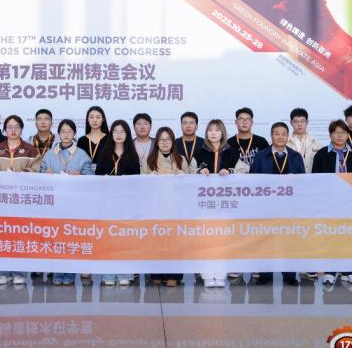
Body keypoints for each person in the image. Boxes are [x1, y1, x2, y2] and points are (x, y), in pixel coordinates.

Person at [0, 115, 42, 286]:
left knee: (20, 236)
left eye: (16, 127)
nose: (13, 130)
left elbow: (38, 170)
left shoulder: (31, 150)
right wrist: (1, 177)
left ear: (22, 129)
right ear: (5, 129)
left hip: (22, 201)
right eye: (10, 127)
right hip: (1, 201)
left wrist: (24, 175)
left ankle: (19, 272)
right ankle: (2, 273)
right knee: (1, 236)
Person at [249, 122, 305, 286]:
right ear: (271, 136)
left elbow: (303, 182)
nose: (280, 137)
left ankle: (290, 275)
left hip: (289, 207)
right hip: (266, 206)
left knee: (289, 240)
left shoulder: (295, 156)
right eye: (276, 133)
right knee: (265, 240)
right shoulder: (261, 156)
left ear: (288, 136)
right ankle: (265, 274)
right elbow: (252, 179)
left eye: (283, 134)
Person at [195, 119, 249, 288]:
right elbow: (189, 170)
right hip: (205, 204)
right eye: (210, 130)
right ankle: (206, 273)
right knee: (205, 239)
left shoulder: (230, 152)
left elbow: (245, 169)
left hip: (224, 204)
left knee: (222, 239)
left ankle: (220, 273)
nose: (213, 133)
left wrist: (230, 171)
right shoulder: (200, 152)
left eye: (217, 130)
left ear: (222, 133)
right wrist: (199, 171)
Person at [41, 119, 94, 285]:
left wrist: (81, 176)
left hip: (74, 204)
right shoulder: (50, 154)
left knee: (71, 239)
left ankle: (70, 272)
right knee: (57, 239)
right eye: (63, 131)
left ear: (74, 134)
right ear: (58, 133)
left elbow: (91, 178)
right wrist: (45, 174)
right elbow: (39, 176)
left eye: (69, 131)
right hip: (54, 204)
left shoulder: (82, 154)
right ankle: (57, 271)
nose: (66, 134)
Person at [312, 120, 352, 287]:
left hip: (350, 202)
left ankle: (349, 271)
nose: (339, 136)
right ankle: (330, 271)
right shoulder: (321, 154)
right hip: (329, 202)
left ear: (347, 135)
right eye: (336, 132)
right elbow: (315, 179)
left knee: (349, 235)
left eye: (343, 132)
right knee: (330, 236)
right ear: (330, 135)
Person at [142, 126, 196, 287]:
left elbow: (191, 185)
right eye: (161, 139)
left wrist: (184, 177)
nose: (165, 142)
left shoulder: (181, 160)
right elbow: (140, 184)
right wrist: (147, 178)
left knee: (175, 242)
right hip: (155, 208)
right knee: (155, 241)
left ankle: (174, 275)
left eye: (168, 139)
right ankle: (156, 273)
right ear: (156, 142)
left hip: (175, 209)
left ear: (173, 141)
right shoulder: (149, 160)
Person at [95, 120, 140, 286]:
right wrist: (104, 179)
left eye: (122, 131)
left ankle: (124, 273)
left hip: (125, 203)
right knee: (108, 238)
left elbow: (136, 180)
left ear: (127, 134)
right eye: (116, 131)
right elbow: (97, 176)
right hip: (107, 203)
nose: (119, 134)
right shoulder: (104, 154)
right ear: (111, 134)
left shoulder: (132, 155)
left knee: (124, 238)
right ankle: (108, 273)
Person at [287, 108, 322, 173]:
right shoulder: (285, 142)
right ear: (291, 123)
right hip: (291, 178)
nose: (299, 124)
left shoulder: (316, 142)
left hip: (311, 178)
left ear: (307, 122)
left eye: (302, 121)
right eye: (296, 121)